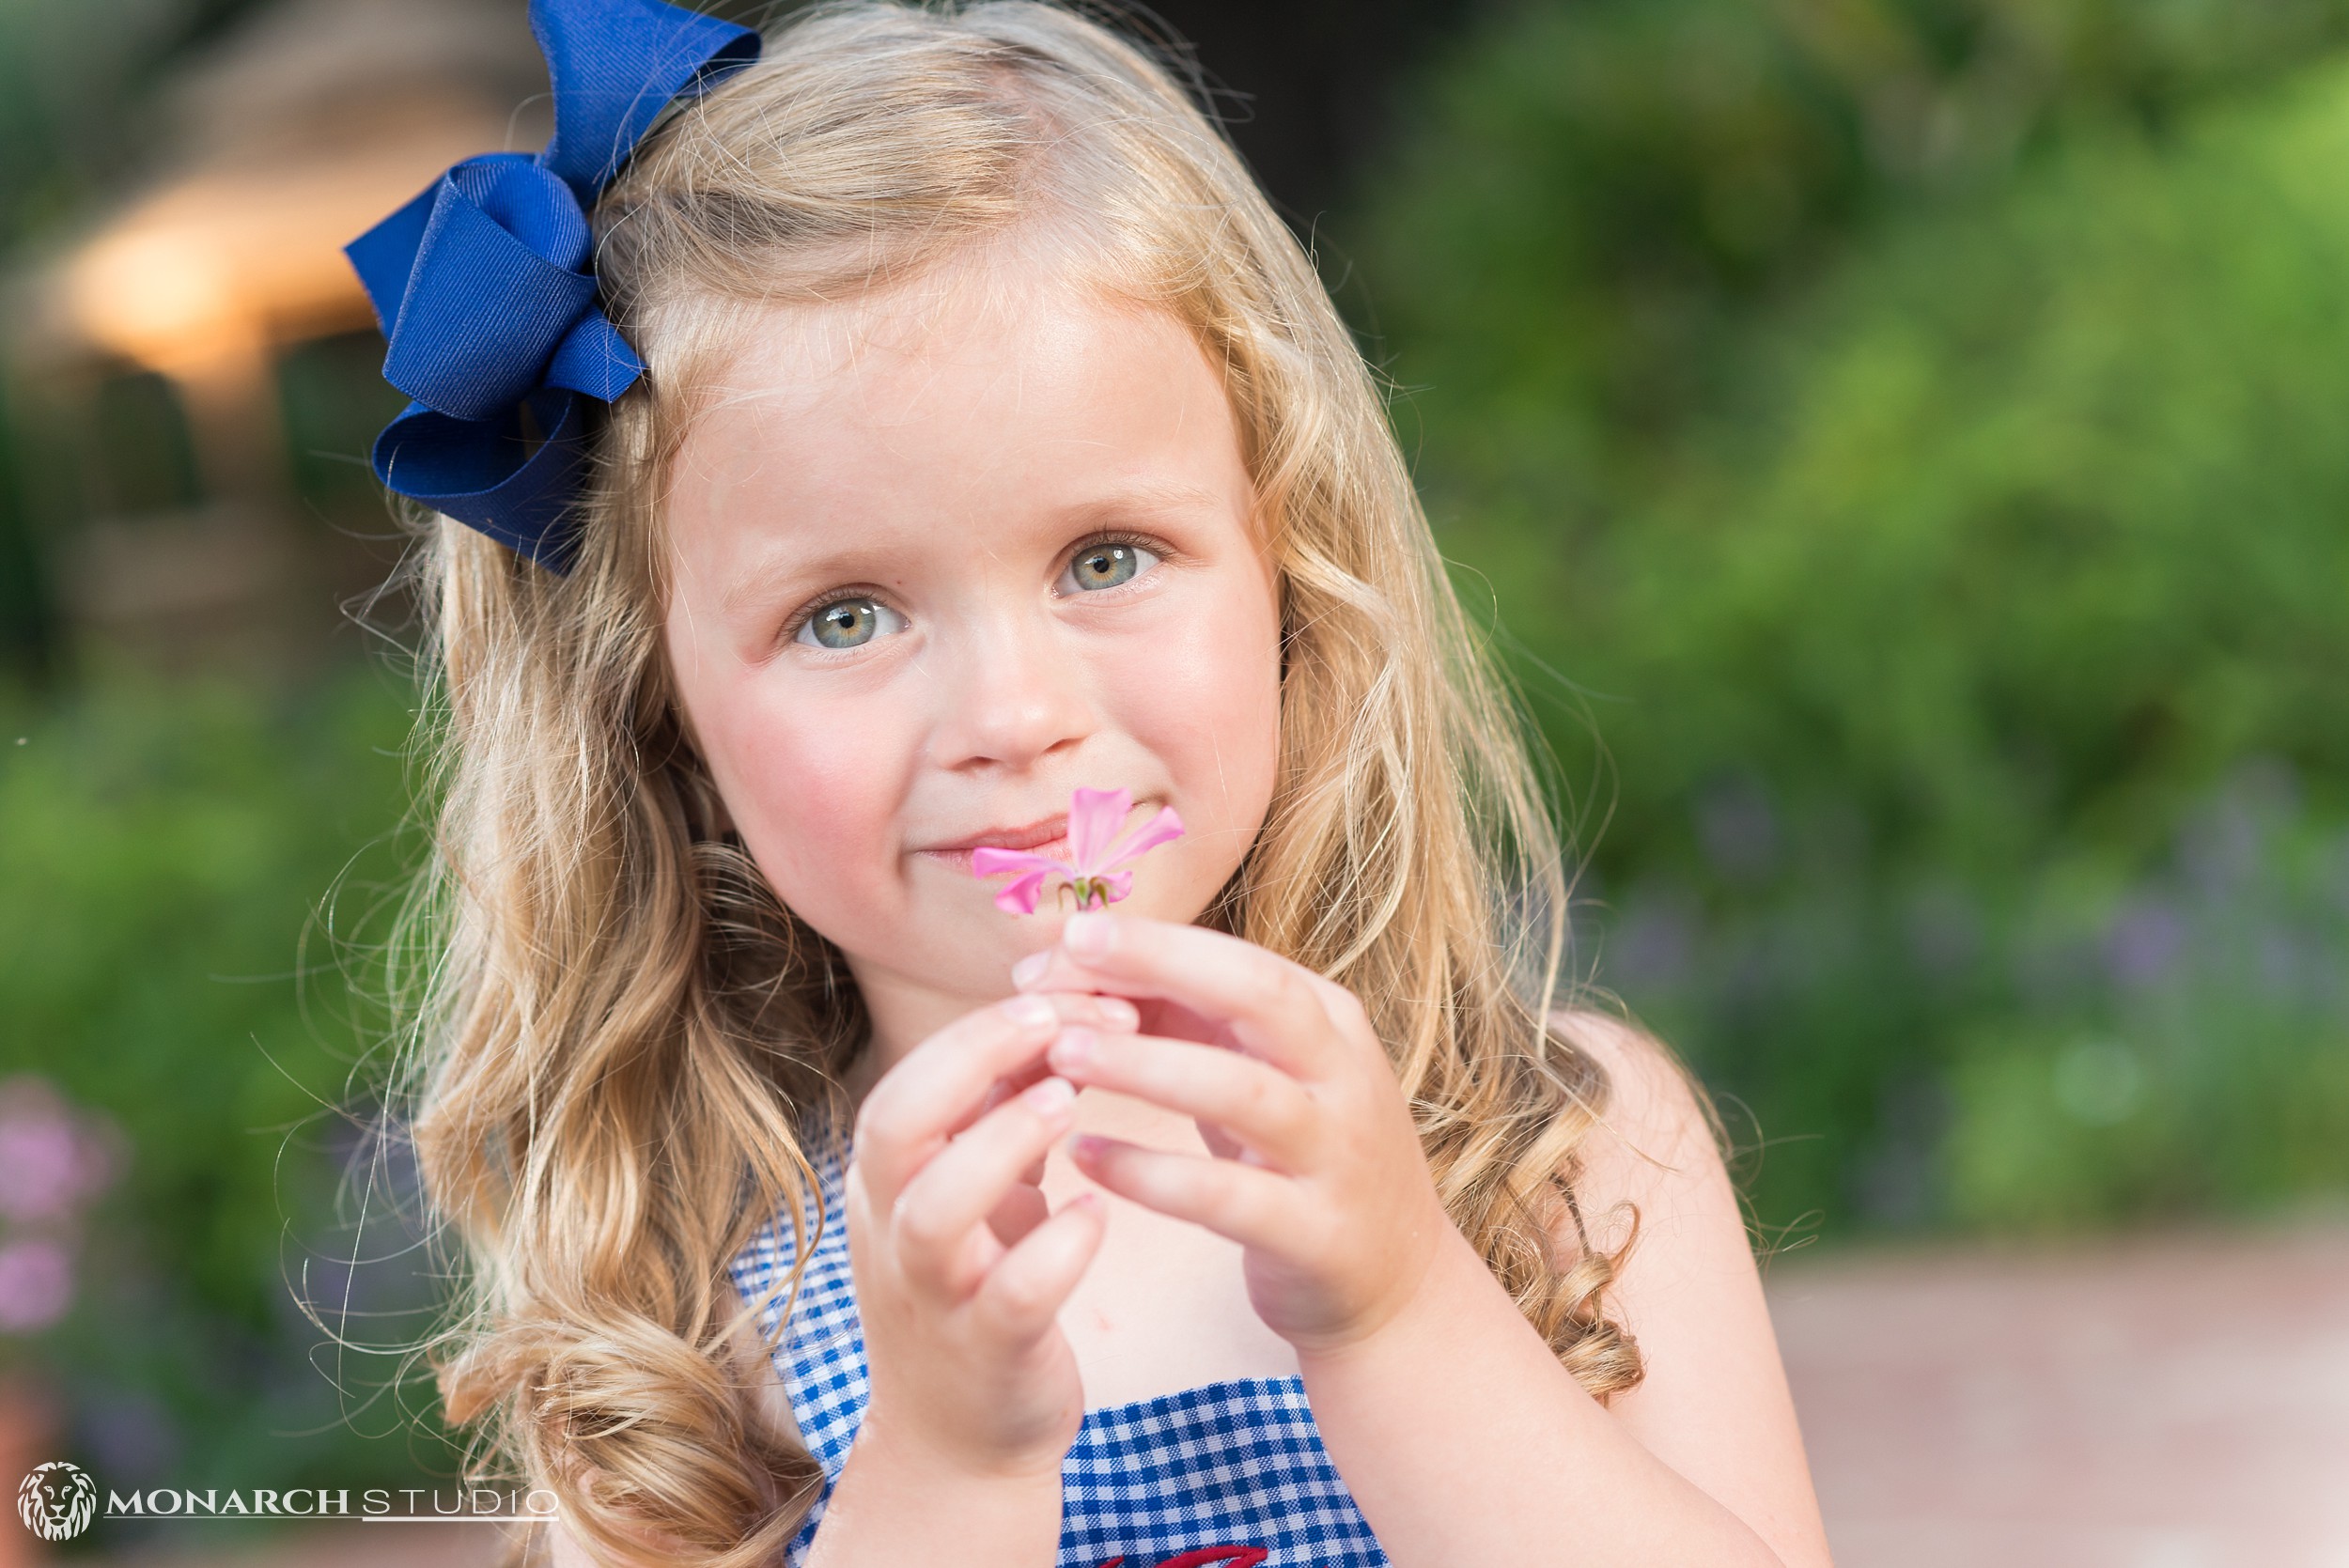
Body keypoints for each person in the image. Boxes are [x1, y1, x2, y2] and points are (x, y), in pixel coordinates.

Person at [349, 1, 1836, 1564]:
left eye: (1106, 558)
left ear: (1290, 560)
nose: (1015, 714)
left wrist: (1402, 1311)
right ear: (658, 701)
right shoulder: (691, 1304)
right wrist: (948, 1460)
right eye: (845, 616)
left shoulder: (1554, 1151)